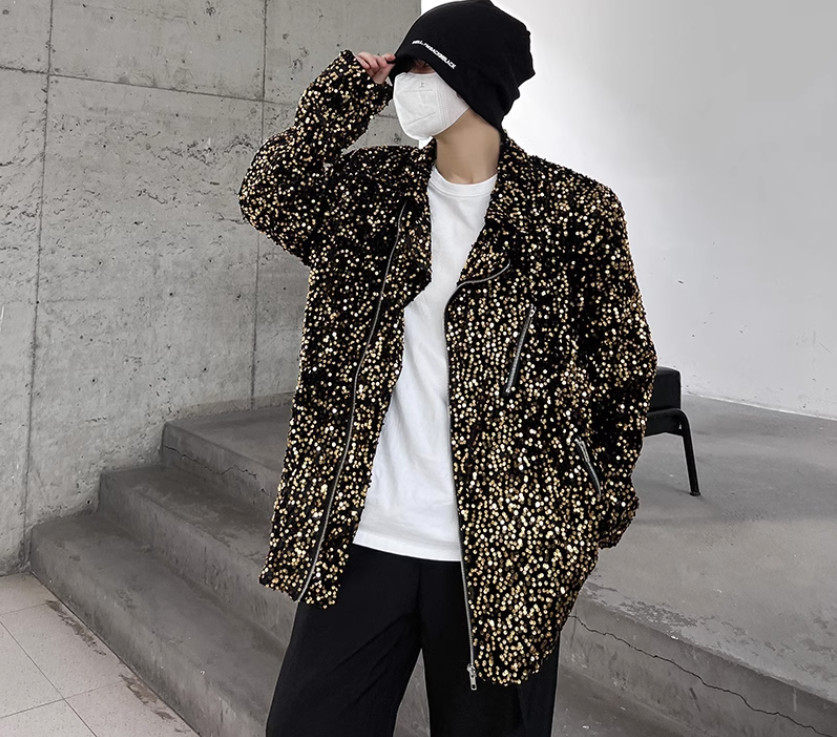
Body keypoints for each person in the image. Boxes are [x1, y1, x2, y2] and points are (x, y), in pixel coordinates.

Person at [238, 2, 658, 735]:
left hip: (505, 555)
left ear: (477, 80)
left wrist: (591, 507)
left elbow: (623, 368)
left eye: (420, 64)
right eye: (399, 65)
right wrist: (344, 96)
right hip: (363, 536)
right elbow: (268, 194)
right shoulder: (370, 192)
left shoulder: (573, 212)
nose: (403, 80)